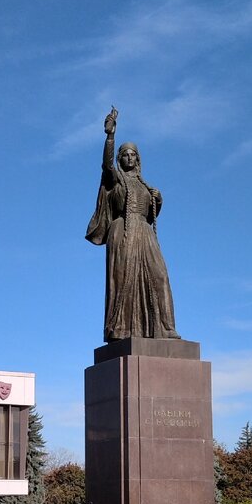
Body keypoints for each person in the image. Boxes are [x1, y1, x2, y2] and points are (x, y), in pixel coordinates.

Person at [86, 107, 179, 342]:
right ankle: (120, 329)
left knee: (159, 276)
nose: (129, 158)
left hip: (145, 233)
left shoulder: (145, 185)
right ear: (120, 158)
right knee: (123, 279)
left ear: (138, 159)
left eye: (133, 155)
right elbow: (106, 166)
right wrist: (110, 137)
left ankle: (165, 329)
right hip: (123, 231)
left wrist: (158, 200)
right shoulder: (115, 179)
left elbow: (150, 214)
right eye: (125, 154)